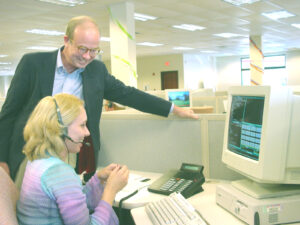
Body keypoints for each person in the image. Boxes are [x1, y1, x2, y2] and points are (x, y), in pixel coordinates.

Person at [0, 15, 198, 181]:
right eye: (82, 49)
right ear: (66, 40)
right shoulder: (33, 64)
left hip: (74, 157)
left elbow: (128, 94)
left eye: (94, 50)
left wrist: (173, 109)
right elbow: (9, 114)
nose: (87, 57)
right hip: (31, 154)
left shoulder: (96, 70)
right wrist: (2, 161)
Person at [17, 93, 129, 225]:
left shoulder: (39, 160)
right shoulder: (58, 172)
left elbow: (73, 204)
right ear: (60, 130)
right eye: (82, 125)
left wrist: (98, 179)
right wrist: (111, 190)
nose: (87, 132)